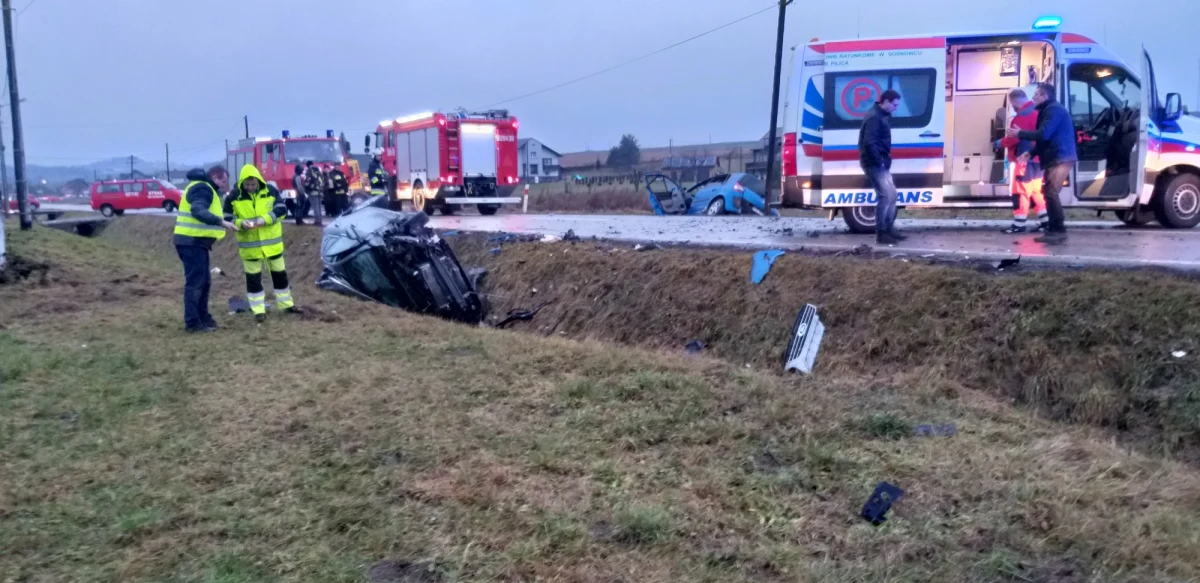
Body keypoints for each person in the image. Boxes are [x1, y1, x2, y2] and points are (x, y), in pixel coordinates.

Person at [224, 164, 299, 322]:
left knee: (280, 277)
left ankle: (286, 305)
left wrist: (264, 219)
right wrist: (239, 223)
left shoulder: (270, 191)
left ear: (258, 181)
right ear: (242, 182)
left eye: (253, 184)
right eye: (247, 185)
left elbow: (281, 209)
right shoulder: (233, 197)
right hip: (249, 247)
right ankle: (258, 310)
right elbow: (226, 217)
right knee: (253, 280)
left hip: (273, 246)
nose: (250, 187)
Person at [1009, 82, 1077, 244]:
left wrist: (1020, 133)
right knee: (1048, 192)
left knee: (1050, 193)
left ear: (1044, 96)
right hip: (1058, 156)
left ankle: (1057, 230)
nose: (1033, 97)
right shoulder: (1048, 110)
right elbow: (1045, 138)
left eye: (1036, 94)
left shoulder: (1053, 110)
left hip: (1059, 157)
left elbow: (1044, 134)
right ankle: (1054, 229)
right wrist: (1030, 153)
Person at [173, 167, 238, 333]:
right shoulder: (203, 189)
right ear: (215, 177)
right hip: (192, 242)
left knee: (204, 282)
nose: (225, 185)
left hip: (195, 242)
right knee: (196, 284)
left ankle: (204, 318)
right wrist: (221, 222)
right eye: (223, 181)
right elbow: (197, 210)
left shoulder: (202, 187)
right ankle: (193, 323)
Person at [995, 88, 1047, 233]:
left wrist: (999, 143)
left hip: (1025, 161)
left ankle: (1019, 225)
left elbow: (1014, 138)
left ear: (1015, 101)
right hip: (1038, 160)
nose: (1012, 107)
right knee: (1036, 192)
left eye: (1012, 104)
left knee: (1020, 192)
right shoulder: (1037, 113)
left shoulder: (1022, 116)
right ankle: (1046, 222)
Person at [858, 89, 906, 245]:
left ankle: (888, 229)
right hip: (874, 164)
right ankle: (881, 234)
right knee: (885, 196)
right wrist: (879, 162)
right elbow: (868, 143)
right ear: (885, 102)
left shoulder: (880, 115)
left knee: (892, 195)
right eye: (894, 105)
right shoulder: (874, 118)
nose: (896, 108)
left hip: (880, 163)